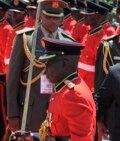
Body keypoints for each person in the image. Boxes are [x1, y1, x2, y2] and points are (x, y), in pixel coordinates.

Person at [7, 0, 74, 134]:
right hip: (30, 112)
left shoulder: (69, 42)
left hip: (59, 114)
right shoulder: (26, 39)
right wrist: (12, 114)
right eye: (48, 16)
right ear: (40, 15)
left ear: (62, 18)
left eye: (56, 17)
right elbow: (12, 79)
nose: (52, 21)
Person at [39, 37, 96, 141]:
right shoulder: (63, 88)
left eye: (49, 64)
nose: (45, 69)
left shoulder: (74, 95)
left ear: (64, 64)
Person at [78, 0, 109, 92]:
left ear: (98, 17)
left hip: (91, 83)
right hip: (81, 78)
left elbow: (100, 67)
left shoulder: (101, 39)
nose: (84, 16)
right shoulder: (88, 33)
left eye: (88, 14)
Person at [0, 0, 11, 138]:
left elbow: (6, 54)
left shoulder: (7, 29)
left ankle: (4, 134)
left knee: (2, 109)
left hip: (2, 74)